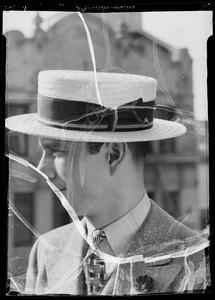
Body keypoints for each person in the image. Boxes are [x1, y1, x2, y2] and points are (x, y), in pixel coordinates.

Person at [6, 70, 210, 295]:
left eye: (57, 152)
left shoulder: (197, 261)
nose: (42, 169)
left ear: (113, 154)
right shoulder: (46, 251)